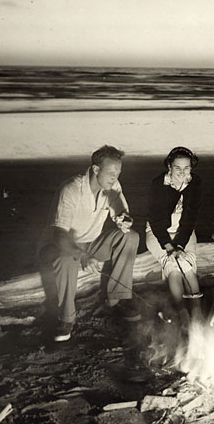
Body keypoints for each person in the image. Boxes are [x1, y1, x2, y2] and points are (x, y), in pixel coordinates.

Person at [38, 145, 140, 342]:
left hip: (91, 242)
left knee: (130, 237)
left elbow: (123, 214)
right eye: (111, 173)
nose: (115, 177)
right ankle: (66, 319)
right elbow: (59, 236)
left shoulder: (113, 187)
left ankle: (117, 298)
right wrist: (83, 255)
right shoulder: (71, 190)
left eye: (118, 173)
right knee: (66, 257)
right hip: (59, 246)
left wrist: (125, 220)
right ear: (95, 169)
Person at [146, 147, 202, 323]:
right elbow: (156, 222)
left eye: (186, 168)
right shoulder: (158, 184)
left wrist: (179, 246)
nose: (182, 172)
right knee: (172, 265)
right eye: (177, 168)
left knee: (186, 263)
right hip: (157, 233)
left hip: (184, 233)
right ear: (169, 166)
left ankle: (197, 312)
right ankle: (182, 312)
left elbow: (190, 218)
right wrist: (170, 247)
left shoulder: (195, 182)